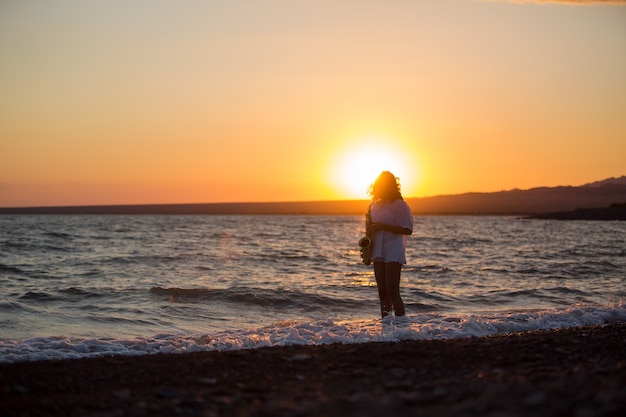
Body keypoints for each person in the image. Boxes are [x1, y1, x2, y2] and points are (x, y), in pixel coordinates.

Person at [367, 171, 413, 319]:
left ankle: (401, 325)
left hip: (393, 250)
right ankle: (386, 325)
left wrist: (382, 227)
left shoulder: (400, 205)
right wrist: (367, 250)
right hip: (377, 250)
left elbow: (407, 229)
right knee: (382, 292)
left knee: (393, 291)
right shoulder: (374, 205)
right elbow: (370, 228)